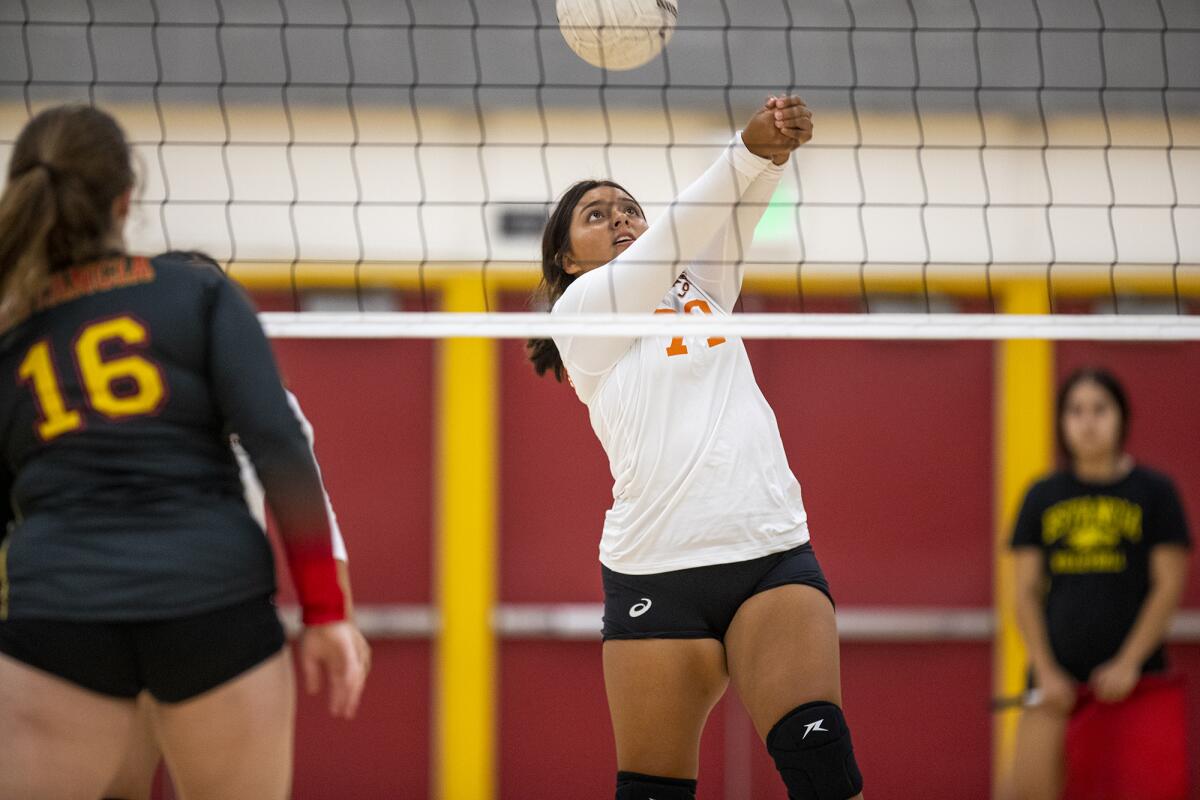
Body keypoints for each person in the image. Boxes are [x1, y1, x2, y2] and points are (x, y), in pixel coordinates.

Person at [0, 104, 368, 799]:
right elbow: (280, 449)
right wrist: (326, 613)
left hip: (60, 611)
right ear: (125, 198)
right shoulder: (199, 292)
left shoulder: (14, 332)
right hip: (210, 604)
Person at [527, 96, 864, 800]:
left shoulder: (699, 288)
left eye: (627, 208)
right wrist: (744, 152)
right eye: (597, 215)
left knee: (825, 774)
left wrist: (772, 154)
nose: (620, 217)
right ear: (565, 257)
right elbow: (677, 235)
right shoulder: (579, 314)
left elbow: (728, 221)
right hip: (655, 572)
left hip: (767, 553)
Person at [102, 389, 371, 800]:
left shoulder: (249, 386)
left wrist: (336, 614)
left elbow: (304, 497)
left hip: (214, 614)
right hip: (109, 610)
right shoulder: (72, 381)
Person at [1006, 368, 1191, 800]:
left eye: (1099, 409)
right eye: (1075, 411)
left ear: (1121, 417)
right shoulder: (1042, 495)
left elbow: (1169, 586)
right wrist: (1047, 671)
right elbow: (1025, 592)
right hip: (1054, 687)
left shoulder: (1155, 492)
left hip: (1137, 683)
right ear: (1061, 422)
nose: (1087, 422)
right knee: (1027, 790)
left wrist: (1128, 662)